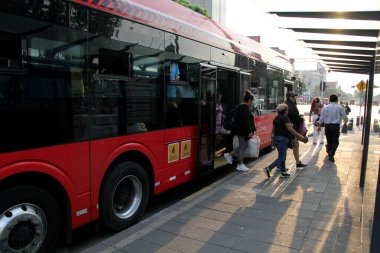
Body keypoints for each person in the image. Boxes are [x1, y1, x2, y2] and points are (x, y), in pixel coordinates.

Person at [264, 104, 308, 178]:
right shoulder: (285, 118)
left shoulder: (276, 118)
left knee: (282, 155)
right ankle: (268, 168)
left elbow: (273, 130)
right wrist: (300, 136)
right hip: (283, 139)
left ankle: (283, 171)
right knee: (282, 157)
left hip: (277, 139)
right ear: (286, 111)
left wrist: (273, 139)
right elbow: (291, 129)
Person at [223, 90, 255, 172]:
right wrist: (249, 132)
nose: (252, 102)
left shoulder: (241, 106)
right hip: (242, 131)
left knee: (244, 145)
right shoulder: (245, 108)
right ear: (249, 100)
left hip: (240, 130)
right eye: (252, 101)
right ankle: (240, 164)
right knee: (243, 146)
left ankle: (229, 155)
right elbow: (245, 121)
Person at [317, 94, 348, 163]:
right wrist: (345, 122)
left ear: (329, 100)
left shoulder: (325, 107)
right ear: (337, 100)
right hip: (335, 127)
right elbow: (345, 117)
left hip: (327, 126)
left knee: (329, 140)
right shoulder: (340, 107)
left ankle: (329, 151)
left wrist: (319, 123)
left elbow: (322, 117)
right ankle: (331, 153)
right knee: (335, 141)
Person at [285, 91, 307, 168]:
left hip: (287, 128)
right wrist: (300, 118)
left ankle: (297, 162)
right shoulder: (291, 106)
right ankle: (297, 163)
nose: (294, 98)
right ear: (289, 98)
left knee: (291, 145)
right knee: (294, 145)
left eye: (295, 97)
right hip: (291, 129)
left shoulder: (286, 104)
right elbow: (295, 118)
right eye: (292, 97)